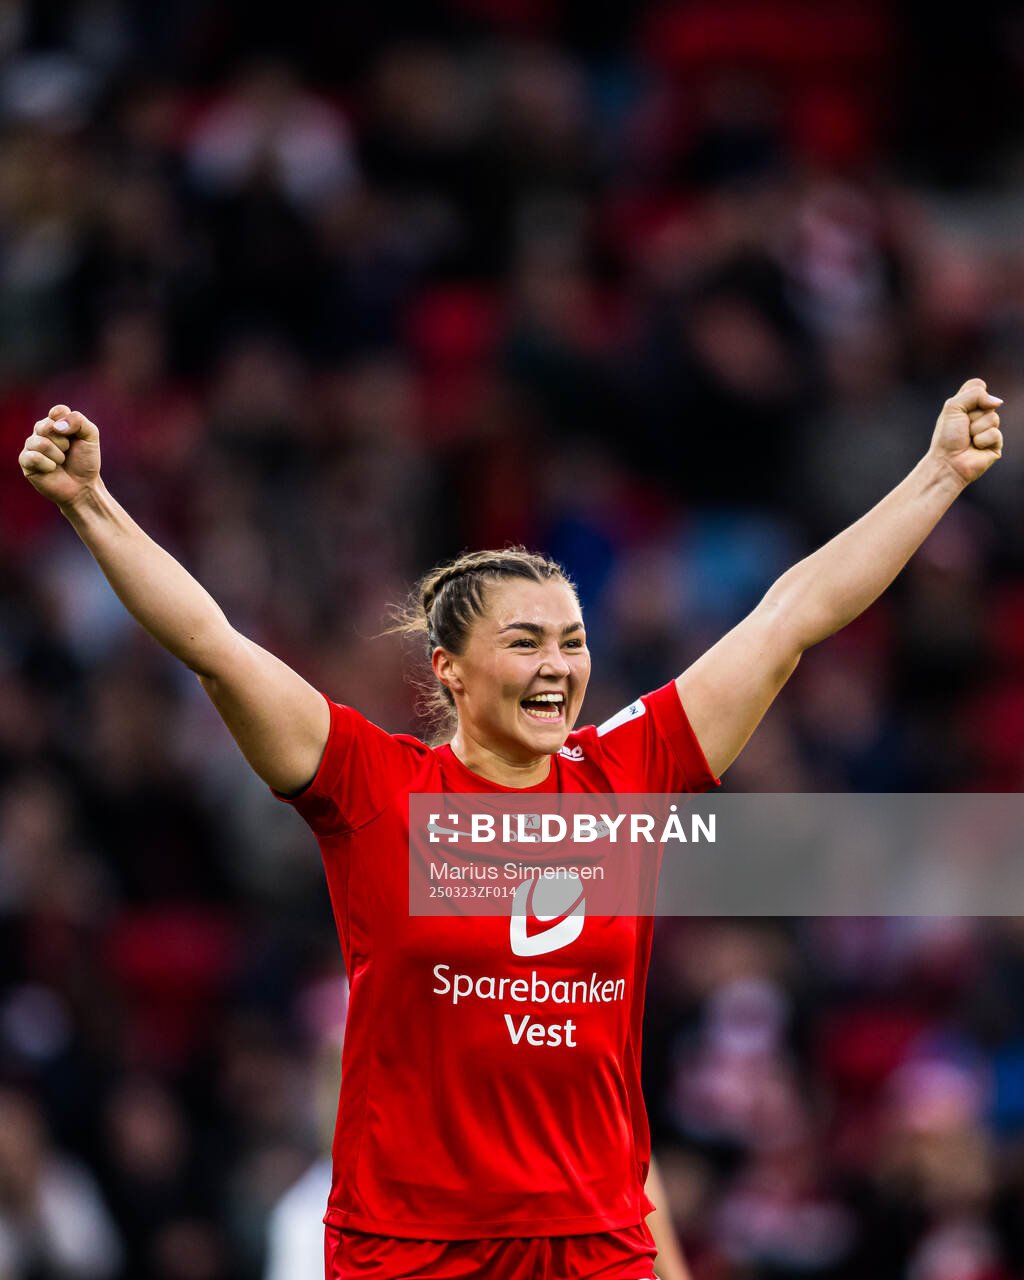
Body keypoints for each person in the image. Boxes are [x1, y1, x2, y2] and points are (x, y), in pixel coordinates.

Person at [19, 379, 1004, 1279]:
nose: (557, 666)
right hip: (407, 1248)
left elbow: (790, 615)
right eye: (523, 640)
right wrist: (91, 504)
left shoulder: (630, 771)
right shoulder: (373, 786)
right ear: (447, 667)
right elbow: (213, 645)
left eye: (572, 640)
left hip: (595, 1244)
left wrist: (938, 473)